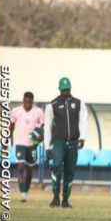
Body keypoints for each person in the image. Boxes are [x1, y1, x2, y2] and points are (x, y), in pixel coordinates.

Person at [44, 77, 88, 208]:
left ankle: (65, 200)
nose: (65, 92)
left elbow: (84, 122)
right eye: (63, 90)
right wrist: (47, 147)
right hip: (58, 143)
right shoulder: (52, 105)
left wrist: (82, 138)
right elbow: (47, 127)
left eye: (67, 90)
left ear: (70, 89)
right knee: (56, 167)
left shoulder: (79, 104)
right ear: (59, 89)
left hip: (73, 143)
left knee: (70, 171)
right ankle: (55, 197)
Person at [10, 92, 44, 202]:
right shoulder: (16, 111)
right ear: (23, 100)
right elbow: (12, 126)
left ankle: (26, 190)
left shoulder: (38, 112)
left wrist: (40, 137)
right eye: (26, 102)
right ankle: (23, 194)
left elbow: (43, 128)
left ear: (32, 101)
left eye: (30, 102)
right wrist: (7, 138)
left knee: (29, 170)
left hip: (32, 145)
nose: (27, 104)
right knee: (20, 167)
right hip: (20, 143)